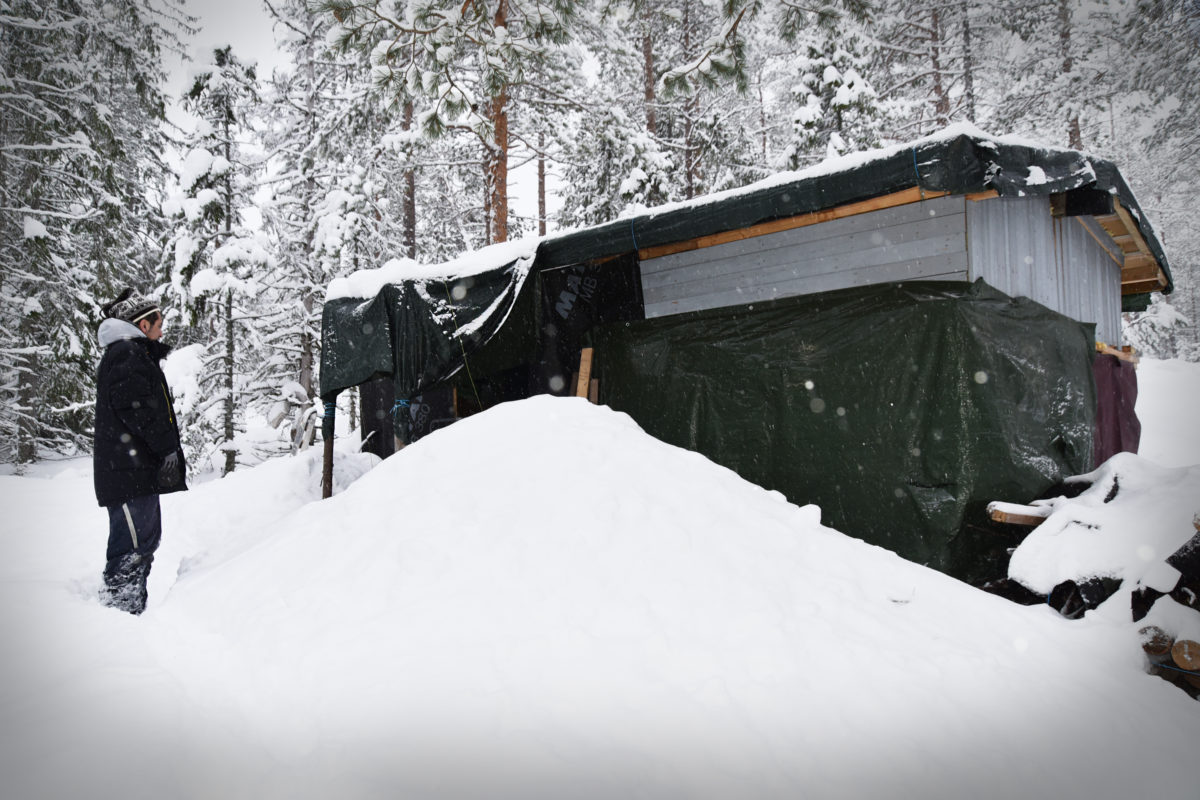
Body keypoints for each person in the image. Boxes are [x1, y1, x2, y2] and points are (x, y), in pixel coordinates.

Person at [93, 289, 187, 614]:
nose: (162, 329)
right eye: (158, 322)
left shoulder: (131, 354)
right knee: (132, 548)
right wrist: (166, 449)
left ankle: (128, 615)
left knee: (143, 543)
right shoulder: (127, 355)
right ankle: (117, 616)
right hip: (127, 475)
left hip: (134, 473)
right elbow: (138, 409)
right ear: (143, 324)